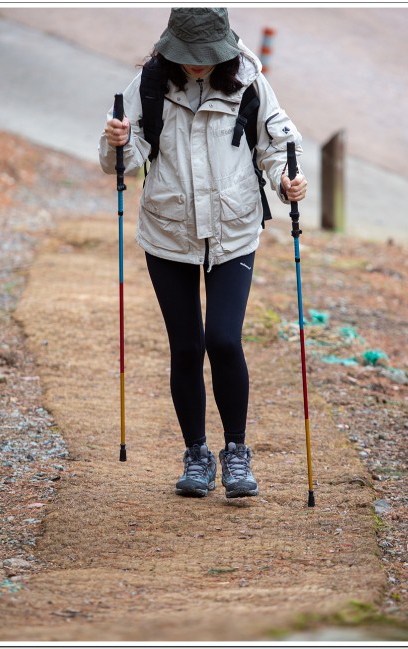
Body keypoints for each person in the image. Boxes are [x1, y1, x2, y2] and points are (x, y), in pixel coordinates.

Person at [99, 7, 307, 499]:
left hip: (234, 231)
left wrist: (286, 182)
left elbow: (275, 148)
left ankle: (236, 452)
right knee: (187, 346)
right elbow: (124, 161)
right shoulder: (150, 82)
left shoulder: (250, 82)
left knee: (224, 339)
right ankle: (197, 455)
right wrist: (119, 144)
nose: (197, 66)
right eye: (188, 57)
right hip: (168, 233)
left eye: (206, 57)